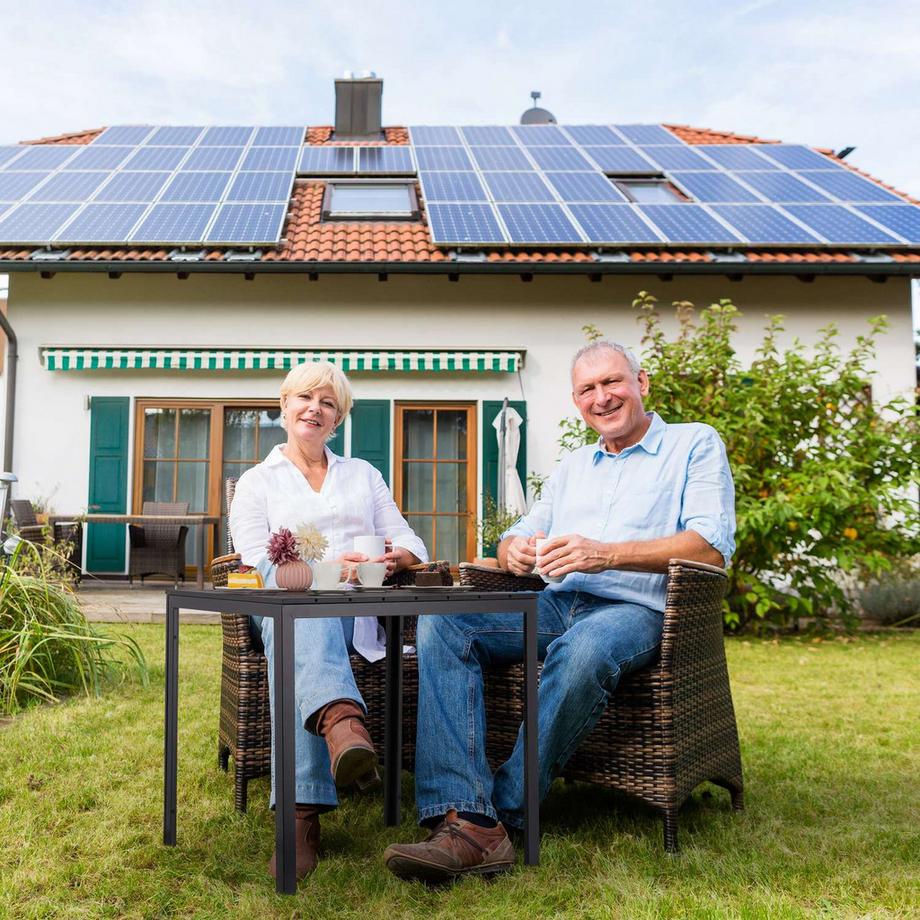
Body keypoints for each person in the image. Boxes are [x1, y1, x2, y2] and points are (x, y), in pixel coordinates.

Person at [384, 340, 736, 882]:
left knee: (586, 648)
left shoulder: (693, 444)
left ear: (641, 384)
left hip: (638, 610)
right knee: (446, 617)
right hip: (556, 601)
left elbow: (710, 546)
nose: (602, 397)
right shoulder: (574, 466)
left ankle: (493, 816)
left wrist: (607, 554)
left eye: (612, 382)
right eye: (587, 390)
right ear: (577, 402)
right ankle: (464, 809)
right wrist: (513, 551)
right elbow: (518, 535)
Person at [229, 361, 427, 882]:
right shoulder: (256, 482)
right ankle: (339, 730)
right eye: (304, 398)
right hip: (277, 609)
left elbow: (412, 543)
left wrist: (392, 560)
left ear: (337, 419)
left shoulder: (363, 474)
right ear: (284, 406)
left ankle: (307, 802)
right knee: (300, 612)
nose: (314, 408)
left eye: (327, 403)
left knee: (312, 617)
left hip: (356, 613)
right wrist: (325, 573)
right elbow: (255, 562)